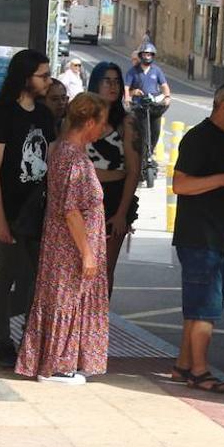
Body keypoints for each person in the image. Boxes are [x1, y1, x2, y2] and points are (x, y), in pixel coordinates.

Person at [16, 93, 111, 384]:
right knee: (65, 299)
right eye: (102, 124)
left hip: (63, 244)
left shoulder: (65, 152)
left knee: (63, 299)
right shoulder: (73, 159)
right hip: (68, 248)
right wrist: (87, 252)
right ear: (90, 123)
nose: (104, 130)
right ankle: (57, 365)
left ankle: (58, 361)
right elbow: (71, 210)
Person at [171, 81, 224, 392]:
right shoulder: (199, 138)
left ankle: (182, 366)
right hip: (199, 235)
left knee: (198, 306)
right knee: (206, 307)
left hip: (217, 235)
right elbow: (181, 185)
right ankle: (200, 371)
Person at [0, 48, 57, 368]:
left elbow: (52, 160)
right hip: (9, 210)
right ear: (25, 78)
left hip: (37, 210)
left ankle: (30, 339)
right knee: (6, 275)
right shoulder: (1, 114)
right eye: (43, 75)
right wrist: (0, 218)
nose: (48, 80)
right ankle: (2, 342)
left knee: (34, 277)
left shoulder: (43, 115)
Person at [87, 61, 140, 295]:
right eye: (107, 80)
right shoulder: (80, 117)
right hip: (82, 199)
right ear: (95, 83)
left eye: (117, 81)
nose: (113, 86)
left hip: (114, 199)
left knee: (104, 269)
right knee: (80, 267)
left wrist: (122, 213)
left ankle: (97, 324)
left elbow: (133, 171)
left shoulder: (127, 123)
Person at [124, 43, 171, 165]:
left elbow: (164, 86)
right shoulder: (133, 71)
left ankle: (150, 153)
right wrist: (130, 97)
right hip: (139, 107)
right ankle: (142, 156)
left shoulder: (157, 71)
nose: (147, 56)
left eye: (149, 54)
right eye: (145, 54)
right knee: (143, 133)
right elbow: (126, 88)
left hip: (153, 106)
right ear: (141, 55)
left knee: (155, 132)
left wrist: (167, 97)